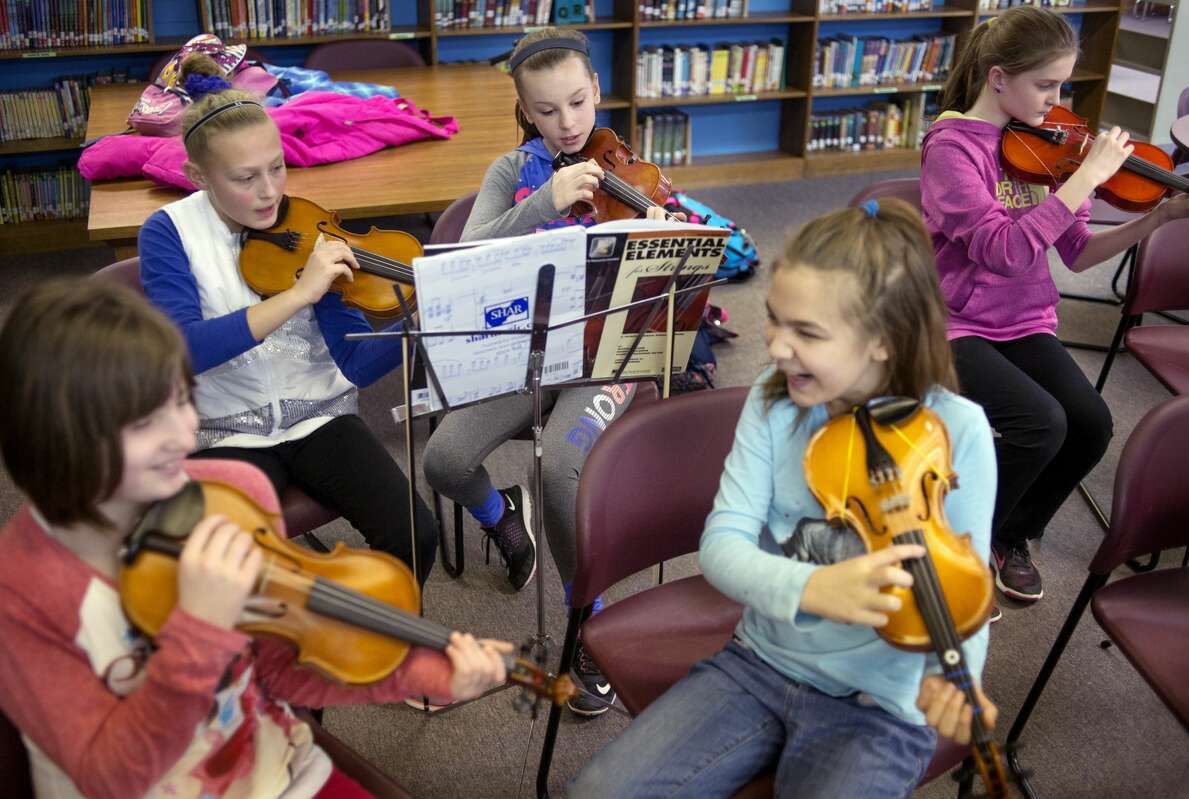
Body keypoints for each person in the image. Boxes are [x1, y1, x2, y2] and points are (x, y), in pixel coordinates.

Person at [0, 279, 510, 799]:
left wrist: (421, 673)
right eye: (148, 422)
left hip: (278, 768)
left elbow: (274, 677)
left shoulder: (229, 497)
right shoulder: (19, 595)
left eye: (182, 400)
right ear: (62, 441)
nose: (184, 433)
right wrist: (199, 630)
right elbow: (111, 779)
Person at [571, 199, 999, 797]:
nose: (775, 347)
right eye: (775, 319)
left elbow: (966, 589)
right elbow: (722, 545)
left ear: (883, 340)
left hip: (878, 701)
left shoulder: (958, 430)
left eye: (807, 333)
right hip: (761, 663)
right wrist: (812, 589)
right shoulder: (773, 403)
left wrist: (953, 677)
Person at [422, 27, 676, 716]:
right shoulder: (513, 172)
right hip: (529, 347)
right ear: (526, 112)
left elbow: (679, 277)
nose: (566, 123)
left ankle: (586, 618)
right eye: (546, 111)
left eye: (576, 103)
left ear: (596, 90)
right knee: (443, 457)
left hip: (606, 357)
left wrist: (661, 232)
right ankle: (504, 521)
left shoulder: (636, 171)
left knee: (560, 467)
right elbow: (468, 250)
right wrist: (546, 200)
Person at [921, 5, 1189, 603]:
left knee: (1092, 423)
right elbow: (1002, 251)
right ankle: (961, 541)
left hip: (1023, 321)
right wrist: (1083, 179)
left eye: (1063, 86)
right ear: (998, 78)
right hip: (955, 323)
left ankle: (1010, 534)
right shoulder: (951, 149)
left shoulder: (1049, 146)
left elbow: (1076, 252)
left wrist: (1164, 215)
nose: (1056, 101)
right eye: (1045, 85)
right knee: (1039, 422)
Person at [137, 54, 439, 588]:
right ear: (198, 176)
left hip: (321, 416)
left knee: (414, 532)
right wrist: (299, 294)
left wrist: (419, 323)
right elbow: (182, 351)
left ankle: (388, 655)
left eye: (276, 167)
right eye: (244, 178)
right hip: (224, 430)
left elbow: (351, 365)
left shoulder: (304, 222)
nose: (270, 192)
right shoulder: (168, 233)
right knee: (222, 574)